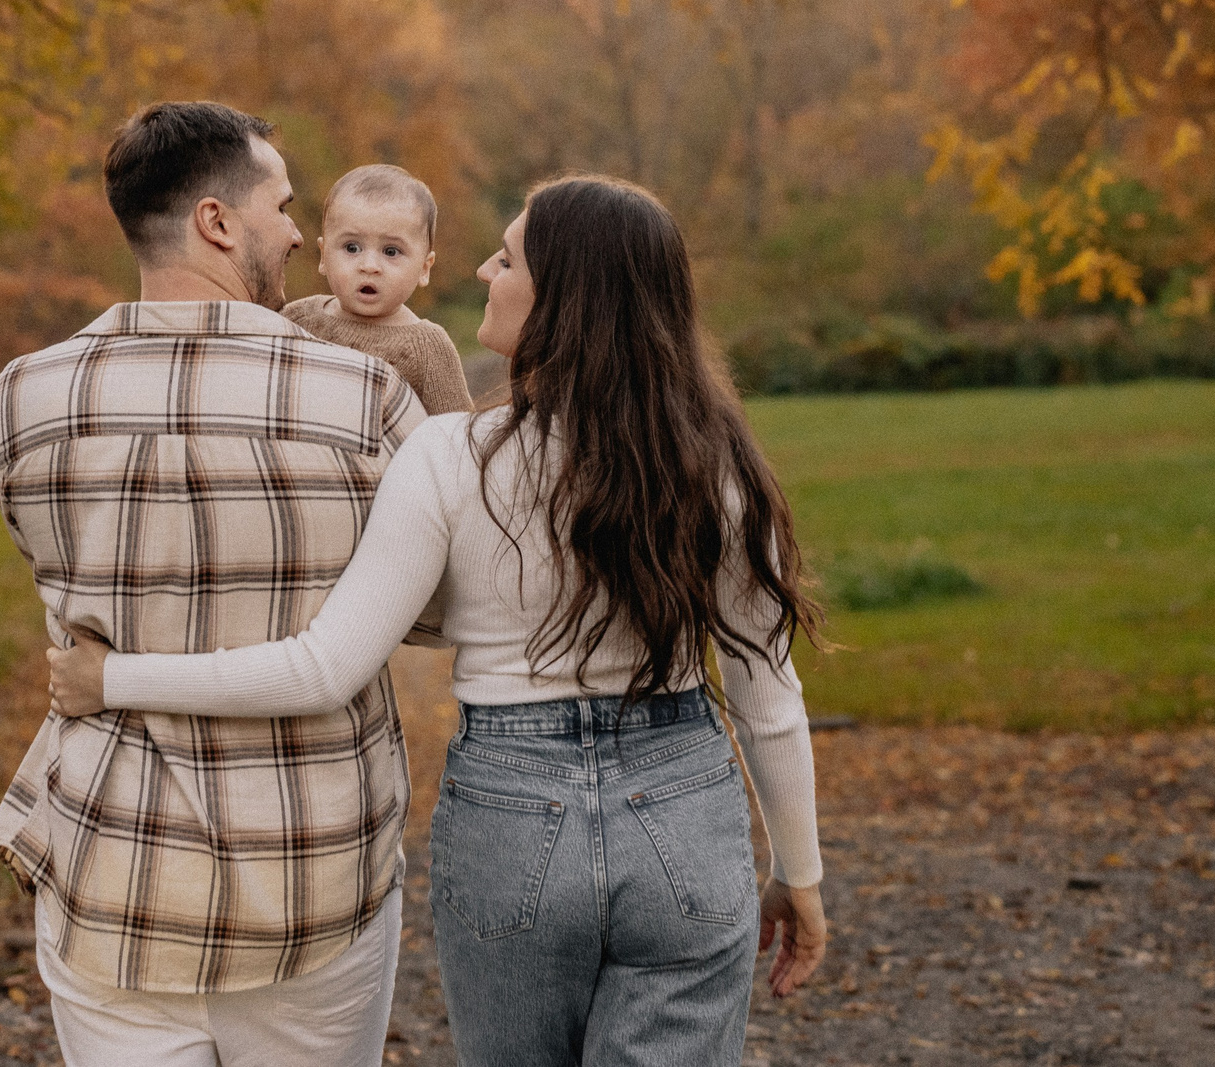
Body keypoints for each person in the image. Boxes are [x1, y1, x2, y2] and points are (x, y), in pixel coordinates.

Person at [51, 173, 830, 1067]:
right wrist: (797, 872)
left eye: (505, 259)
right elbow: (771, 696)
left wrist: (112, 677)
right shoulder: (716, 464)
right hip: (685, 810)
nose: (481, 268)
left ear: (560, 300)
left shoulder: (450, 458)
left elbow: (323, 667)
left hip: (512, 812)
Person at [0, 100, 430, 1067]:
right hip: (314, 874)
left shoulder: (26, 394)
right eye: (281, 204)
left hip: (115, 873)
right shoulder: (365, 399)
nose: (300, 232)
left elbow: (45, 564)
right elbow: (427, 611)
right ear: (218, 223)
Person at [283, 164, 475, 415]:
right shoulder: (296, 318)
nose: (369, 266)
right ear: (323, 256)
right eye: (352, 248)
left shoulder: (429, 350)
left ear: (424, 269)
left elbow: (455, 437)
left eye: (391, 251)